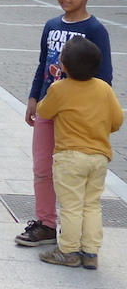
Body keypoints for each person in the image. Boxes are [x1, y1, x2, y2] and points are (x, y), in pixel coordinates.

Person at [15, 0, 113, 248]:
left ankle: (77, 229)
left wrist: (95, 113)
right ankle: (46, 223)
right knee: (42, 167)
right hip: (48, 108)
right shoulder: (52, 26)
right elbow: (42, 64)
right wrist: (34, 97)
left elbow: (104, 77)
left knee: (72, 172)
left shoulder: (95, 30)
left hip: (77, 118)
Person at [35, 36, 123, 268]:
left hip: (69, 158)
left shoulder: (59, 89)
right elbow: (117, 120)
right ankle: (91, 253)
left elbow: (45, 111)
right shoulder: (104, 88)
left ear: (63, 65)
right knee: (92, 204)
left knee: (71, 206)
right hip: (99, 157)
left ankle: (68, 250)